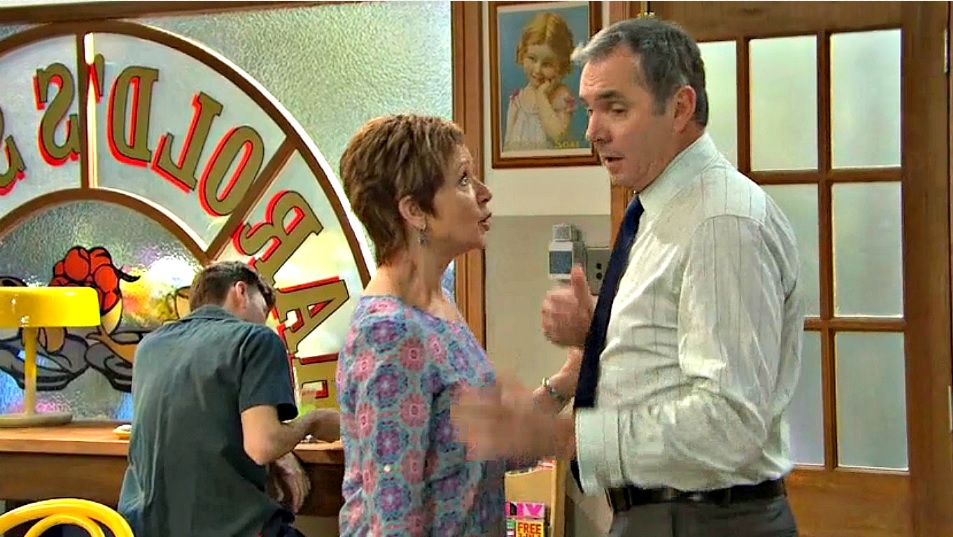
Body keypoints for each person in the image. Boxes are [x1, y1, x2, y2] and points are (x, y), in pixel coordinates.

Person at [452, 16, 803, 537]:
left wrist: (560, 436)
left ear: (679, 108)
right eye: (589, 108)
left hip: (705, 519)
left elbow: (731, 423)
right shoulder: (661, 210)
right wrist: (601, 331)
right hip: (660, 514)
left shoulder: (720, 222)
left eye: (615, 109)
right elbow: (670, 352)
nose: (592, 131)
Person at [335, 114, 581, 536]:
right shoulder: (390, 332)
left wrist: (564, 383)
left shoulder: (439, 306)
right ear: (414, 210)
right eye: (464, 180)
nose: (484, 193)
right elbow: (392, 518)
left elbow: (478, 457)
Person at [118, 261, 340, 537]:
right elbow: (263, 446)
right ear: (241, 291)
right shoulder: (256, 339)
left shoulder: (150, 346)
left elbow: (200, 421)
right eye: (263, 310)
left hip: (139, 529)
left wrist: (280, 451)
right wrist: (313, 422)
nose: (263, 321)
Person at [503, 11, 578, 152]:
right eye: (532, 58)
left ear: (560, 66)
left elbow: (559, 138)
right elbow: (507, 146)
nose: (537, 70)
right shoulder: (517, 100)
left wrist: (541, 96)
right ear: (523, 54)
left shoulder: (562, 96)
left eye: (547, 64)